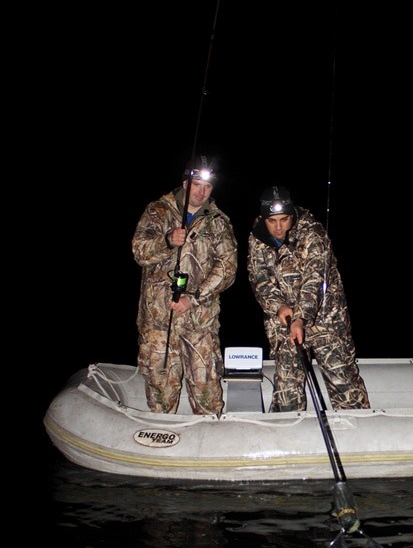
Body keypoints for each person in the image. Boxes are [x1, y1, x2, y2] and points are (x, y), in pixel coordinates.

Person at [247, 185, 370, 412]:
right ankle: (289, 437)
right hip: (284, 322)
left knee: (344, 383)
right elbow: (259, 279)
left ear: (292, 213)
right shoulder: (257, 237)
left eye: (284, 220)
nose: (278, 227)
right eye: (272, 221)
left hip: (326, 319)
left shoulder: (313, 233)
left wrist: (301, 318)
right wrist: (280, 307)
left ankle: (357, 437)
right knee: (287, 392)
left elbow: (314, 281)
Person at [132, 155, 238, 414]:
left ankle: (210, 441)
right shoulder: (157, 211)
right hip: (159, 323)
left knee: (207, 391)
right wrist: (167, 241)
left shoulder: (218, 221)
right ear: (185, 183)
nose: (202, 192)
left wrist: (195, 297)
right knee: (160, 391)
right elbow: (139, 252)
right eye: (197, 184)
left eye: (208, 186)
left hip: (200, 322)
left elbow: (227, 268)